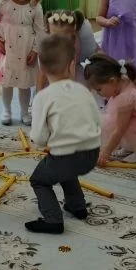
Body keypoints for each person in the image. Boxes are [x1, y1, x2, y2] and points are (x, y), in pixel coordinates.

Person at [26, 35, 101, 234]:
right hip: (91, 153)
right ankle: (77, 206)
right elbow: (96, 119)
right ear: (71, 65)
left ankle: (52, 220)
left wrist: (48, 142)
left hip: (66, 156)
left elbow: (38, 137)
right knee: (64, 168)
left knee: (39, 180)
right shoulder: (83, 90)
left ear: (42, 69)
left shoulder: (43, 97)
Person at [0, 0, 45, 125]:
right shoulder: (2, 2)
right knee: (6, 82)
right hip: (6, 49)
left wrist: (35, 50)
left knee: (24, 83)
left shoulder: (35, 6)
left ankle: (24, 111)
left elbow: (40, 30)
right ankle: (6, 110)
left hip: (26, 50)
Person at [38, 9, 99, 88]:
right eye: (55, 37)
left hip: (70, 75)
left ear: (73, 33)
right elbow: (42, 75)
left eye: (64, 38)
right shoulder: (48, 48)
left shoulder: (74, 46)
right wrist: (39, 92)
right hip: (53, 76)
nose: (59, 42)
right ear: (49, 32)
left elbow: (70, 75)